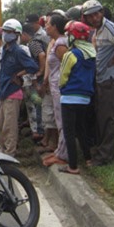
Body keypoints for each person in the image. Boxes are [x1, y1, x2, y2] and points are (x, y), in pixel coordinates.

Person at [82, 0, 114, 166]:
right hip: (101, 79)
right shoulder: (97, 31)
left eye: (96, 14)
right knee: (101, 116)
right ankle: (102, 151)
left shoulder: (109, 27)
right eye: (90, 16)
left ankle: (104, 156)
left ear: (102, 13)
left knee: (108, 118)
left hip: (110, 79)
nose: (94, 18)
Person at [57, 21, 97, 174]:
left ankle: (72, 166)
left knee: (69, 132)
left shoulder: (71, 54)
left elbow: (63, 76)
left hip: (69, 98)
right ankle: (88, 159)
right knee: (81, 130)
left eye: (68, 35)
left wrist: (62, 88)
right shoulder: (91, 54)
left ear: (73, 37)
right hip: (85, 98)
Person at [0, 19, 38, 156]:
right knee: (0, 125)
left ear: (16, 34)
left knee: (9, 126)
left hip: (13, 92)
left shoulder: (18, 51)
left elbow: (32, 66)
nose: (5, 34)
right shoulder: (5, 49)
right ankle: (2, 149)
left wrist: (19, 74)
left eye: (9, 32)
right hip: (4, 91)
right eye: (5, 31)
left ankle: (9, 153)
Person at [41, 13, 69, 167]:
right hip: (55, 88)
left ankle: (63, 155)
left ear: (56, 27)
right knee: (59, 120)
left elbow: (66, 67)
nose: (46, 26)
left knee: (62, 121)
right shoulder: (56, 42)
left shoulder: (61, 44)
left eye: (48, 24)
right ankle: (60, 151)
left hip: (60, 88)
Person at [21, 23, 47, 142]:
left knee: (37, 104)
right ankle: (38, 130)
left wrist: (40, 71)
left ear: (25, 34)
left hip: (37, 79)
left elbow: (42, 55)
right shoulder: (31, 43)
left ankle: (40, 131)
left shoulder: (33, 43)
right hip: (35, 78)